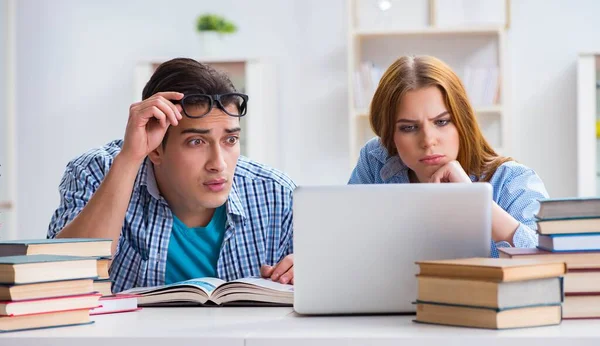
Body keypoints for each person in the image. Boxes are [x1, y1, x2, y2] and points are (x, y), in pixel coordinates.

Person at [48, 58, 296, 293]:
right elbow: (63, 279)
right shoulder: (96, 171)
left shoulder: (277, 194)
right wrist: (130, 158)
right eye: (196, 141)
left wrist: (304, 274)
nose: (218, 164)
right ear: (156, 149)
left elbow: (323, 288)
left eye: (230, 140)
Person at [348, 55, 548, 257]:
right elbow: (343, 242)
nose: (427, 140)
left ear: (462, 122)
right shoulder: (375, 161)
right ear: (390, 135)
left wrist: (475, 200)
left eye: (441, 122)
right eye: (408, 127)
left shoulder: (512, 180)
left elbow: (551, 265)